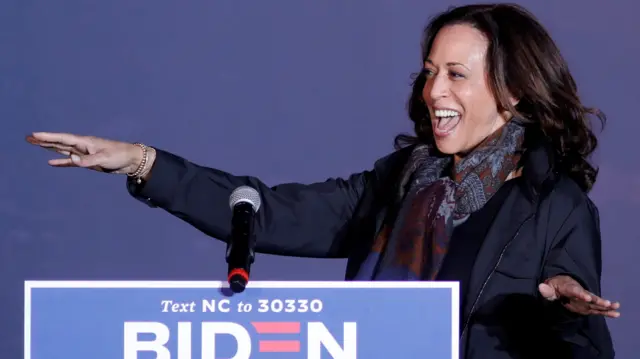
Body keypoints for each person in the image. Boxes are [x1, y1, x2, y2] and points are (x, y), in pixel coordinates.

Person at [27, 3, 620, 358]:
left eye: (456, 74)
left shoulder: (555, 206)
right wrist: (140, 161)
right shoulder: (399, 184)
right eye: (430, 72)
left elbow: (580, 337)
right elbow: (271, 211)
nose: (434, 90)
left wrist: (561, 308)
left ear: (512, 92)